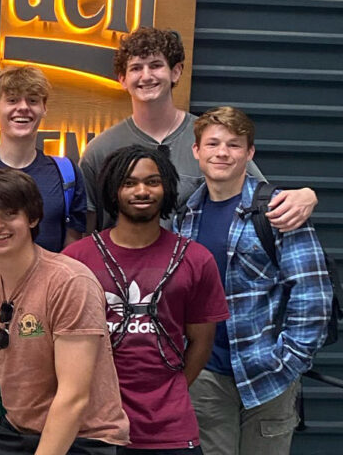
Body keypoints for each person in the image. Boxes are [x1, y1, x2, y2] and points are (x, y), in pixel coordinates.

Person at [177, 107, 332, 455]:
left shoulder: (278, 211)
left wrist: (287, 361)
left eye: (234, 145)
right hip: (207, 378)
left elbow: (313, 297)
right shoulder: (186, 216)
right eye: (213, 143)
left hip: (268, 377)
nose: (222, 152)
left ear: (249, 153)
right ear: (196, 151)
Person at [64, 145, 228, 454]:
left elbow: (202, 341)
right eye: (129, 182)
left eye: (152, 181)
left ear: (166, 188)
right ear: (113, 190)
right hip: (92, 429)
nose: (142, 191)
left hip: (170, 430)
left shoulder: (196, 258)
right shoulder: (76, 259)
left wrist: (173, 390)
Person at [0, 169, 129, 455]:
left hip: (84, 439)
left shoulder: (70, 281)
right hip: (16, 432)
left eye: (10, 214)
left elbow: (73, 398)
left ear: (33, 218)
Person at [79, 27, 316, 232]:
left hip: (202, 274)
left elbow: (263, 196)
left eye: (156, 65)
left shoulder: (211, 140)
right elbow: (86, 228)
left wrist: (305, 195)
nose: (146, 76)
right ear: (122, 79)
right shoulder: (101, 150)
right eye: (136, 68)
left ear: (176, 71)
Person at [0, 65, 87, 251]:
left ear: (44, 108)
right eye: (12, 100)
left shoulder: (67, 174)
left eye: (32, 101)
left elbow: (73, 251)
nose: (23, 108)